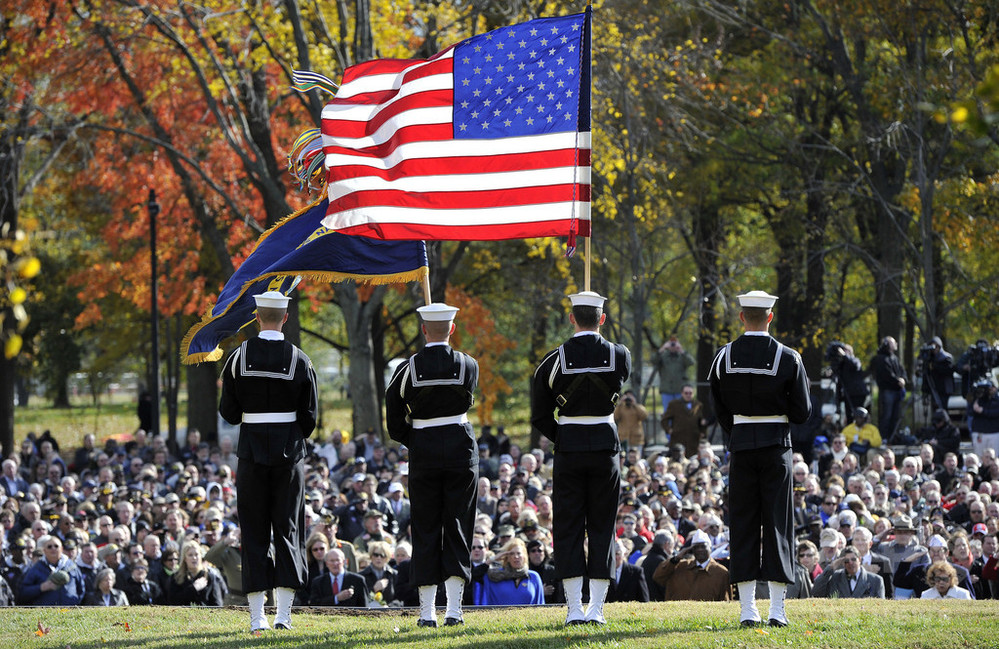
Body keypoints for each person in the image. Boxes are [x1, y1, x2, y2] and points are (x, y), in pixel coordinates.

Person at [708, 290, 811, 628]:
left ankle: (748, 609)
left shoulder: (723, 357)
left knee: (744, 524)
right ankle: (777, 610)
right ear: (770, 316)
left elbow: (719, 409)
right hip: (776, 448)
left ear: (742, 317)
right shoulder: (788, 357)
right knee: (779, 525)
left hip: (741, 447)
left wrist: (740, 428)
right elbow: (802, 412)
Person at [218, 290, 319, 631]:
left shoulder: (237, 357)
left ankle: (257, 615)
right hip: (288, 454)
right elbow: (310, 418)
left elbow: (229, 412)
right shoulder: (299, 359)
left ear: (257, 317)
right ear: (285, 317)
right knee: (288, 530)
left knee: (255, 532)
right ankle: (284, 615)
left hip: (251, 454)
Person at [531, 290, 631, 625]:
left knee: (569, 526)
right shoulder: (620, 355)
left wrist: (566, 435)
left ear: (572, 318)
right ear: (602, 318)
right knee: (603, 525)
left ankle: (575, 608)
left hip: (570, 448)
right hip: (605, 447)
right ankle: (597, 609)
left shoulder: (552, 360)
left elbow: (539, 415)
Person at [385, 302, 478, 628]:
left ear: (424, 329)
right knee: (458, 526)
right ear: (451, 328)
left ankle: (427, 612)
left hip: (423, 451)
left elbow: (395, 422)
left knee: (425, 528)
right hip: (460, 450)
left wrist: (419, 439)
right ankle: (454, 609)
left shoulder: (406, 369)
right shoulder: (469, 365)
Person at [652, 529, 731, 601]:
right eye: (696, 547)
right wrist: (676, 558)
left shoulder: (721, 573)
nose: (700, 550)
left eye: (703, 546)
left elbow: (726, 600)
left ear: (710, 548)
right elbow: (658, 577)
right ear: (692, 550)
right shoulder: (679, 566)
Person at [473, 538, 545, 605]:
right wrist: (492, 559)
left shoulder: (533, 576)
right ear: (507, 557)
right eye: (511, 553)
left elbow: (540, 604)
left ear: (525, 556)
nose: (516, 557)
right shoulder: (494, 575)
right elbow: (473, 575)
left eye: (519, 553)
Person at [19, 535, 86, 605]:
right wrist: (41, 587)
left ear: (62, 549)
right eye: (49, 547)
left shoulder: (72, 566)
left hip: (70, 611)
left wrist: (74, 603)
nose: (53, 548)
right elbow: (23, 592)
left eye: (56, 546)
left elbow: (81, 589)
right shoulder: (37, 568)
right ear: (44, 550)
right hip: (46, 613)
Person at [870, 336, 907, 440]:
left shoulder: (895, 358)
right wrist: (897, 381)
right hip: (887, 391)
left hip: (897, 391)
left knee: (895, 416)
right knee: (887, 415)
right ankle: (884, 437)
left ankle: (893, 436)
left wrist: (903, 379)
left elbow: (902, 370)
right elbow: (886, 374)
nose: (896, 344)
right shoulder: (881, 358)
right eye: (893, 342)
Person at [812, 546, 886, 598]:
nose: (850, 563)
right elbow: (816, 592)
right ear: (843, 563)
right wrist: (830, 568)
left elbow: (880, 607)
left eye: (853, 559)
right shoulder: (835, 577)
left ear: (859, 559)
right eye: (846, 561)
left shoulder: (876, 580)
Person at [662, 384, 708, 459]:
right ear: (682, 393)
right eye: (686, 393)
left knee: (693, 460)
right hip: (678, 438)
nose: (688, 395)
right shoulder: (674, 404)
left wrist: (703, 432)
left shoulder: (698, 405)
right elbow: (664, 419)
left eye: (690, 393)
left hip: (693, 439)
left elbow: (701, 420)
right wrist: (669, 430)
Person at [653, 336, 695, 411]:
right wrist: (662, 349)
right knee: (668, 412)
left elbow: (691, 362)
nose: (673, 346)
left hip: (680, 390)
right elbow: (653, 360)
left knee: (681, 412)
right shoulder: (663, 356)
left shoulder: (682, 356)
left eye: (674, 344)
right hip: (666, 390)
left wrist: (681, 350)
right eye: (671, 344)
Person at [920, 336, 955, 411]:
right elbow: (926, 374)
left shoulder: (946, 358)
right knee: (935, 410)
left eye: (936, 346)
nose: (934, 349)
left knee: (943, 410)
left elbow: (948, 371)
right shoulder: (930, 359)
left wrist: (935, 366)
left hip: (944, 389)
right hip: (934, 388)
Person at [969, 378, 999, 460]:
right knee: (979, 458)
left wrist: (983, 411)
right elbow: (970, 412)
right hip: (979, 432)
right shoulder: (977, 399)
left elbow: (996, 413)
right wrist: (975, 400)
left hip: (994, 432)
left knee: (994, 458)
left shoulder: (997, 400)